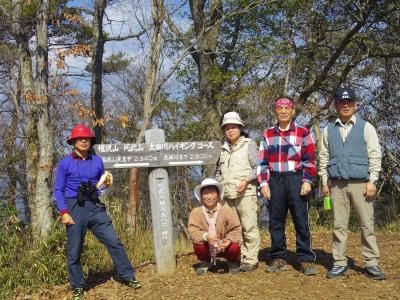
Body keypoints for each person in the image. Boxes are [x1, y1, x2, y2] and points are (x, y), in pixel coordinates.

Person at [54, 124, 141, 300]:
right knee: (74, 250)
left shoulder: (97, 161)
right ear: (73, 142)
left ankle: (128, 276)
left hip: (95, 206)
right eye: (80, 138)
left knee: (113, 241)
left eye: (87, 138)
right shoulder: (65, 163)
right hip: (74, 207)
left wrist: (105, 187)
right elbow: (58, 190)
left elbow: (102, 185)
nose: (84, 141)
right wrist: (64, 212)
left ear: (91, 142)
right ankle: (78, 286)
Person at [319, 88, 385, 280]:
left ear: (355, 105)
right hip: (336, 185)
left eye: (349, 102)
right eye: (341, 102)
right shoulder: (328, 129)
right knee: (339, 225)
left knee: (367, 224)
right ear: (336, 105)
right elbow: (323, 157)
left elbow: (375, 154)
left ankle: (372, 263)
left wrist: (373, 181)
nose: (345, 105)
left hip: (361, 184)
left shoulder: (366, 127)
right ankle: (339, 263)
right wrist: (324, 182)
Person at [258, 97, 317, 276]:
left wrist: (307, 180)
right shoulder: (267, 134)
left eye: (287, 108)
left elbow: (310, 160)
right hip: (275, 180)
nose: (283, 111)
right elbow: (262, 163)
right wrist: (263, 183)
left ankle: (305, 259)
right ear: (275, 111)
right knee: (275, 221)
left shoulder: (303, 132)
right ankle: (278, 257)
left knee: (301, 220)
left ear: (293, 111)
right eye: (280, 108)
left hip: (296, 179)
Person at [215, 112, 261, 272]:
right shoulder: (222, 149)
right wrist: (217, 191)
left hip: (246, 193)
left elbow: (258, 167)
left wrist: (246, 180)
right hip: (227, 195)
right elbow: (218, 172)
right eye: (227, 128)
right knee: (233, 229)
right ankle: (237, 258)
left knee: (249, 227)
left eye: (233, 127)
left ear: (240, 128)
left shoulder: (250, 144)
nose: (230, 130)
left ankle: (250, 259)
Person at [188, 178, 242, 275]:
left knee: (234, 247)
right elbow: (193, 231)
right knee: (198, 246)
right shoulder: (195, 212)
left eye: (212, 193)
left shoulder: (226, 210)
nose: (209, 197)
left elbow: (236, 228)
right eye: (205, 193)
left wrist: (228, 240)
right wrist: (205, 236)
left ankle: (233, 262)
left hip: (224, 246)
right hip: (207, 246)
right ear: (201, 196)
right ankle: (205, 261)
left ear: (218, 195)